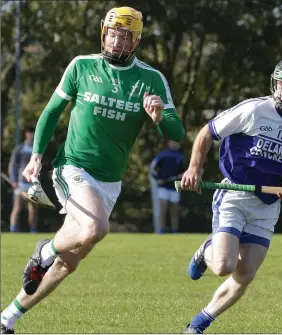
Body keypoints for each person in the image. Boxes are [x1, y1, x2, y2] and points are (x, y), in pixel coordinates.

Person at [0, 6, 185, 334]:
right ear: (104, 32)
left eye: (125, 36)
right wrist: (37, 156)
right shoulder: (82, 66)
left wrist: (158, 119)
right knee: (96, 229)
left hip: (109, 182)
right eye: (113, 33)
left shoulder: (151, 79)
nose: (117, 41)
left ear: (137, 41)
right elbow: (51, 112)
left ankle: (7, 319)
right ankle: (45, 248)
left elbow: (177, 133)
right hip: (73, 168)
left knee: (68, 263)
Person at [180, 57, 282, 334]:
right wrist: (194, 167)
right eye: (280, 83)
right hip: (234, 193)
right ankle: (206, 250)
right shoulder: (254, 109)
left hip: (267, 205)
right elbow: (207, 132)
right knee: (222, 266)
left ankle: (200, 323)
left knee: (245, 274)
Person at [150, 140, 186, 233]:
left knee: (174, 211)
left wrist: (182, 175)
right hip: (163, 187)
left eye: (177, 142)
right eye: (174, 142)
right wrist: (158, 178)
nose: (176, 144)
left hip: (175, 187)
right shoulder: (162, 155)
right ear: (169, 143)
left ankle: (175, 232)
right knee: (163, 208)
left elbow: (184, 171)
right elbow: (152, 169)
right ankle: (161, 231)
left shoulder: (180, 156)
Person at [8, 127, 38, 233]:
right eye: (30, 132)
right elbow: (13, 165)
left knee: (33, 208)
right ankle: (13, 229)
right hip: (21, 183)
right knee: (17, 207)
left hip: (32, 183)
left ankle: (33, 230)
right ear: (26, 134)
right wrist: (14, 180)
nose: (32, 135)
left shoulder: (36, 149)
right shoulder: (20, 148)